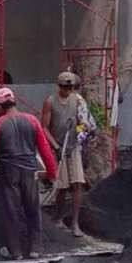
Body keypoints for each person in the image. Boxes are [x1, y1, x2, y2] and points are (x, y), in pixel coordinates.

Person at [0, 87, 58, 260]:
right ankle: (36, 249)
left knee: (11, 211)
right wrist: (52, 173)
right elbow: (45, 150)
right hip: (30, 172)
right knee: (33, 209)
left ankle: (15, 252)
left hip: (9, 173)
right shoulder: (32, 121)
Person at [41, 71, 86, 236]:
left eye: (71, 87)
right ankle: (58, 218)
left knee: (77, 183)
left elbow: (85, 123)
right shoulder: (50, 102)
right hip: (58, 147)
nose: (68, 90)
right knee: (61, 186)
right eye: (65, 87)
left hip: (73, 147)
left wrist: (79, 128)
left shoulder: (78, 100)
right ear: (59, 86)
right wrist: (56, 147)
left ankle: (75, 223)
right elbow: (44, 127)